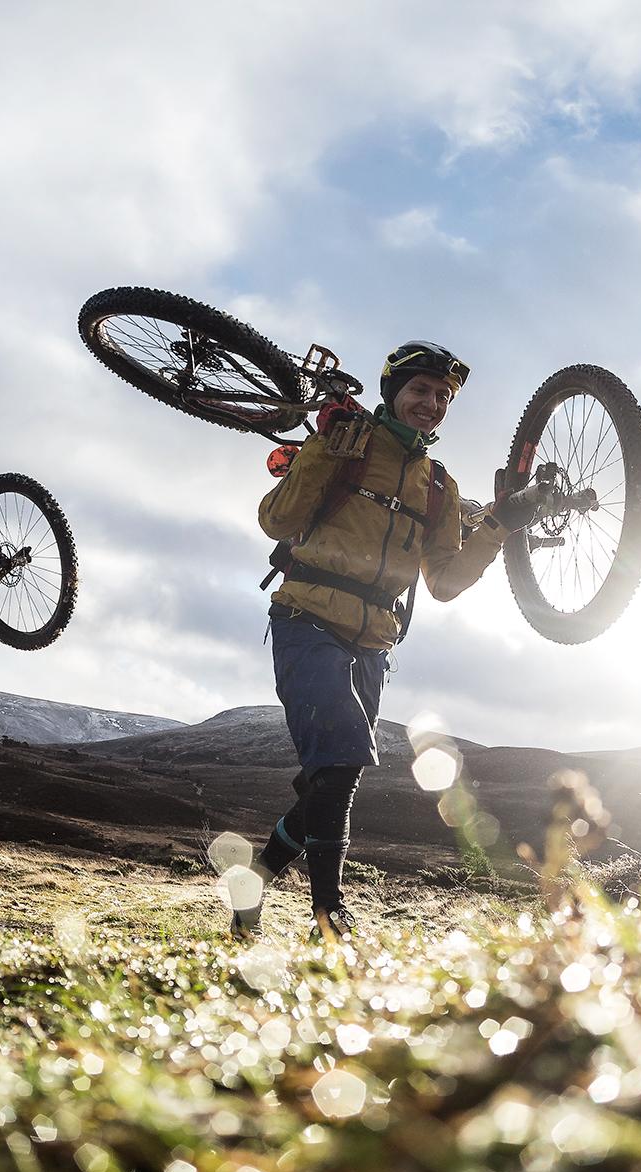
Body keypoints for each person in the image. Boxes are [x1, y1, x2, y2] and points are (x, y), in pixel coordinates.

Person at [235, 341, 560, 942]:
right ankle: (329, 915)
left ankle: (251, 885)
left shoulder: (439, 486)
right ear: (393, 393)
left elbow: (446, 583)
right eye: (420, 390)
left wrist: (499, 525)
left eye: (443, 396)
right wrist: (323, 449)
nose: (431, 404)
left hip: (373, 644)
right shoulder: (347, 442)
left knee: (326, 785)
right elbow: (277, 521)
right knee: (342, 761)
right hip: (306, 619)